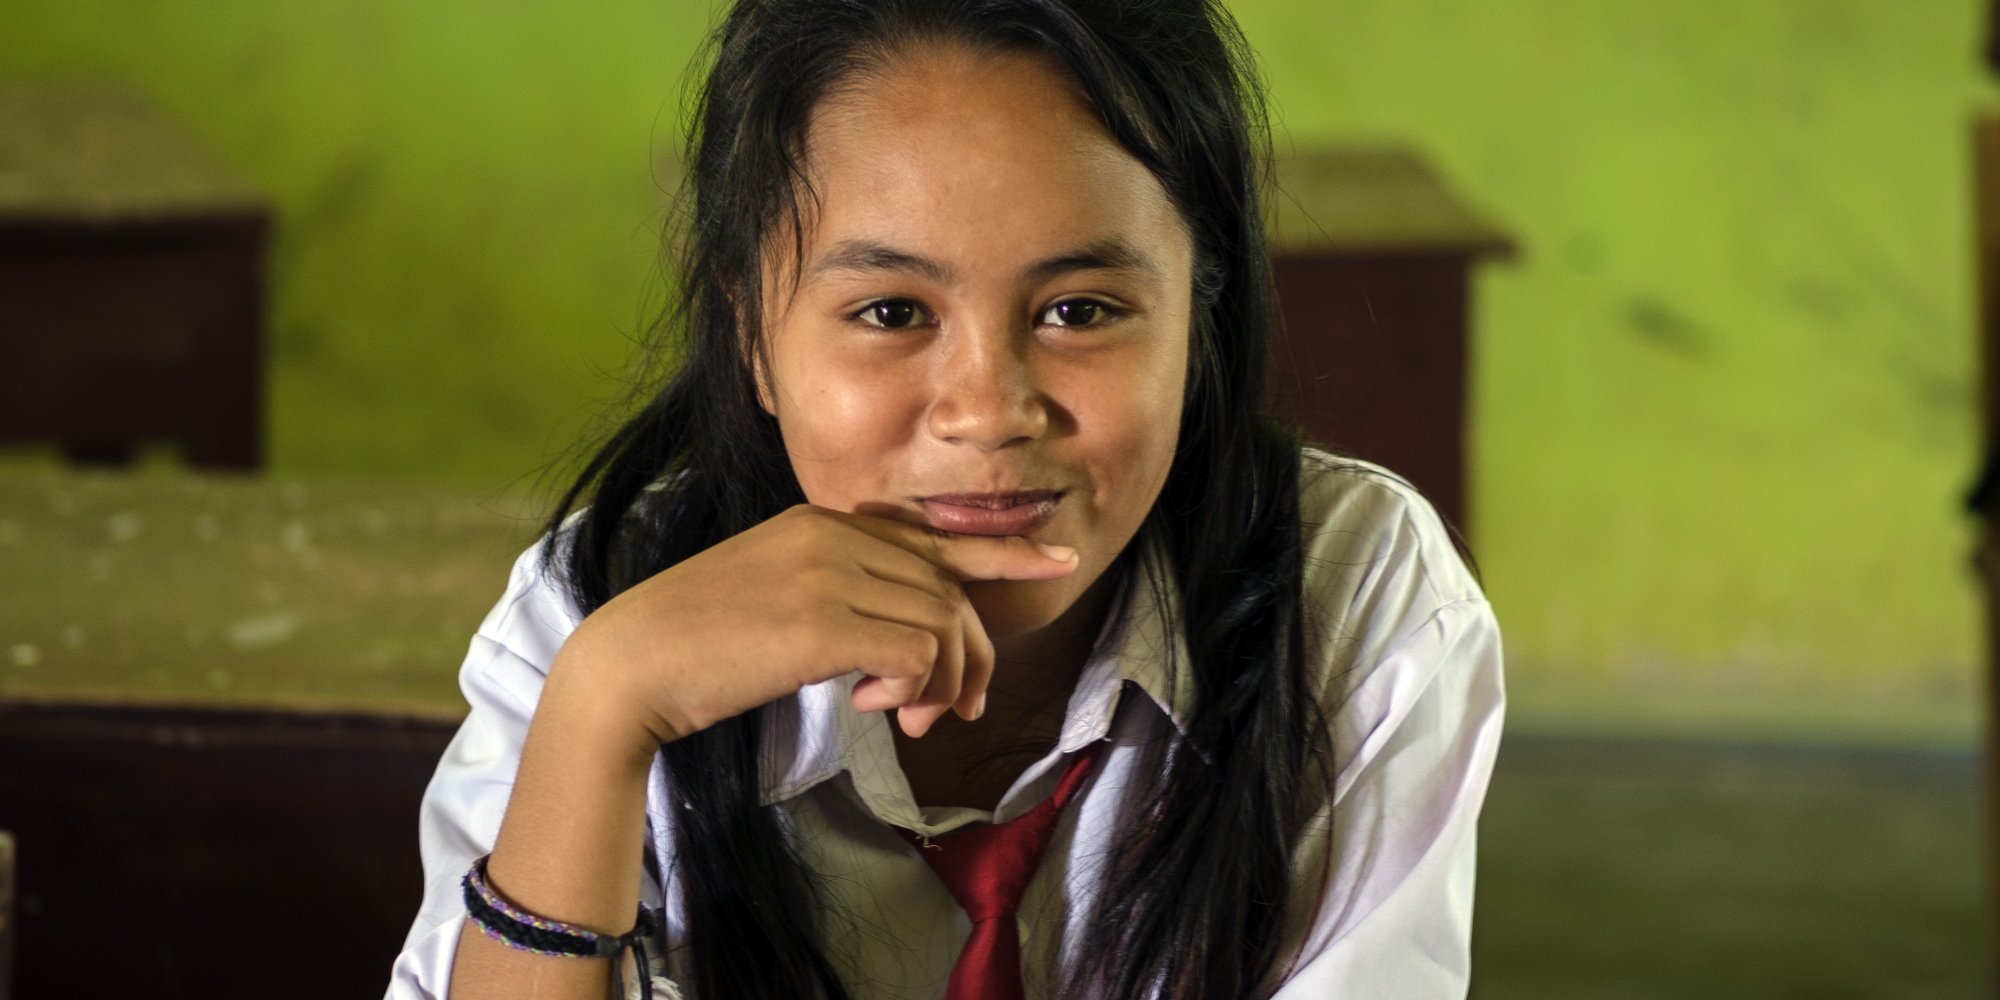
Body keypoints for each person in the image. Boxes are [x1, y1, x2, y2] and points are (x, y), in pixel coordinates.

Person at [386, 0, 1504, 997]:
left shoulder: (1351, 594)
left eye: (1079, 310)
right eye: (889, 313)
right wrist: (602, 715)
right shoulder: (599, 618)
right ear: (751, 339)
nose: (985, 411)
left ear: (1197, 326)